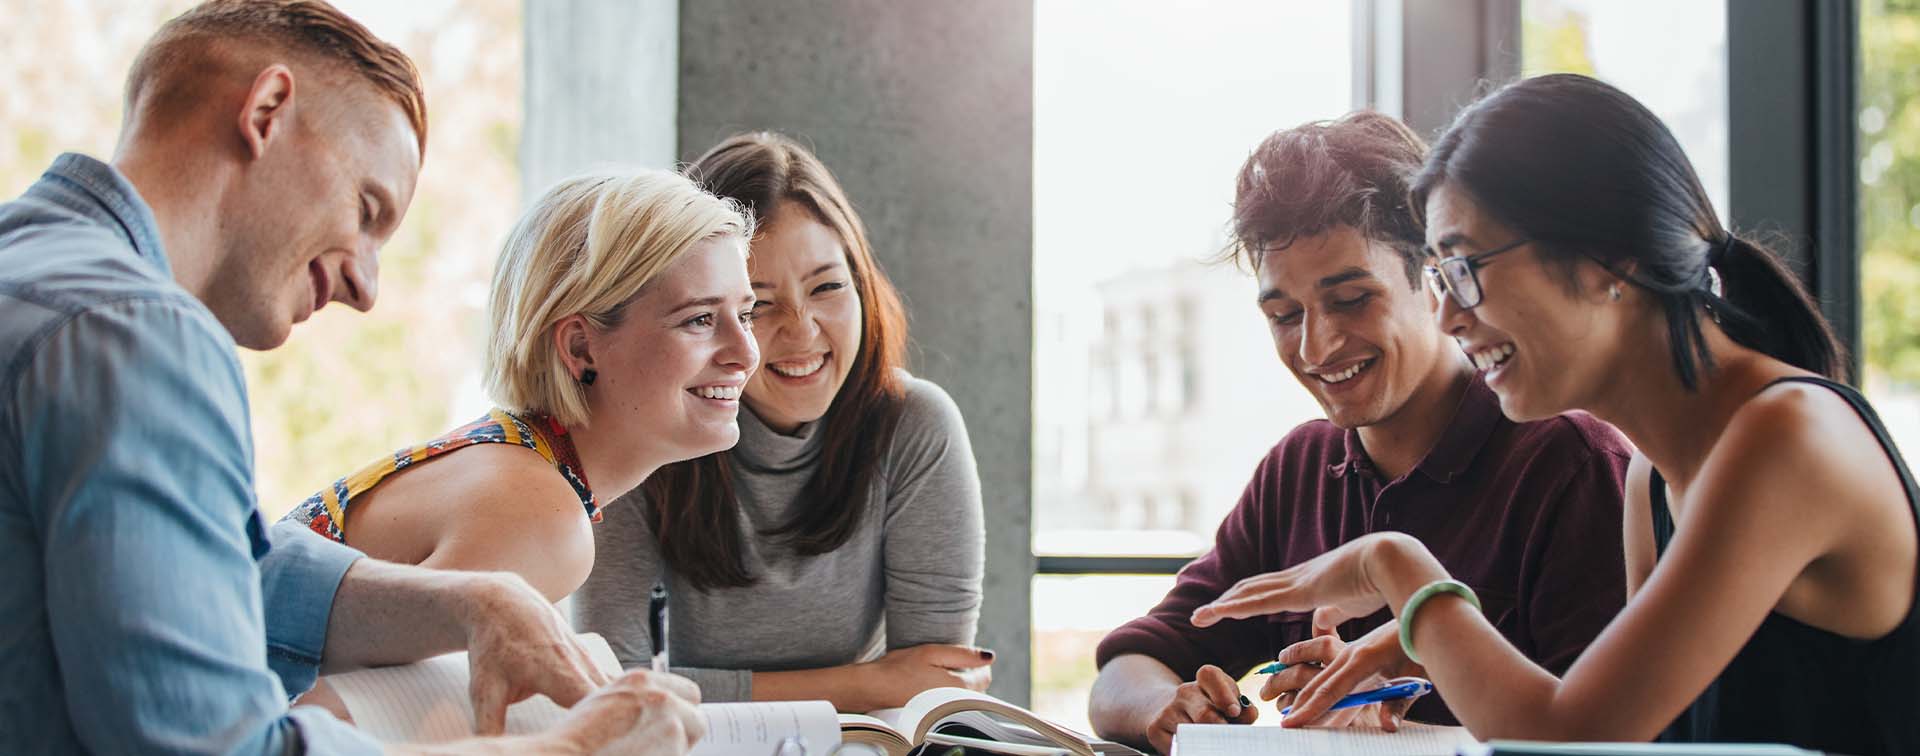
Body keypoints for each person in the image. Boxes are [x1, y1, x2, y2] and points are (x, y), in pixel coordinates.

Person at [0, 1, 703, 753]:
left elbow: (195, 572)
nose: (366, 288)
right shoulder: (139, 333)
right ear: (267, 111)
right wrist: (567, 748)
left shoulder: (35, 276)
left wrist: (474, 599)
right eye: (368, 211)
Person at [1191, 74, 1920, 756]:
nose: (1446, 318)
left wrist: (1398, 570)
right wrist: (1422, 650)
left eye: (1465, 269)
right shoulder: (1650, 479)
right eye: (1439, 278)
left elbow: (1573, 743)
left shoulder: (1784, 438)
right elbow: (1634, 744)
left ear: (1607, 259)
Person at [1084, 111, 1633, 754]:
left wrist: (1410, 694)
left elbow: (1601, 737)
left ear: (1435, 279)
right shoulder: (1299, 469)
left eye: (1350, 301)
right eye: (1285, 315)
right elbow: (1127, 668)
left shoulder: (1570, 464)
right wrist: (1165, 706)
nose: (1317, 346)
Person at [575, 132, 990, 711]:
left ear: (863, 286)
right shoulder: (641, 427)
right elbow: (613, 685)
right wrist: (862, 683)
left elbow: (930, 686)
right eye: (758, 305)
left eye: (827, 287)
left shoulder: (915, 426)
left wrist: (883, 690)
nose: (801, 331)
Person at [281, 169, 758, 603]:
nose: (746, 353)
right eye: (699, 319)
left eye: (745, 315)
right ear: (580, 348)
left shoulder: (518, 462)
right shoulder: (540, 519)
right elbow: (340, 696)